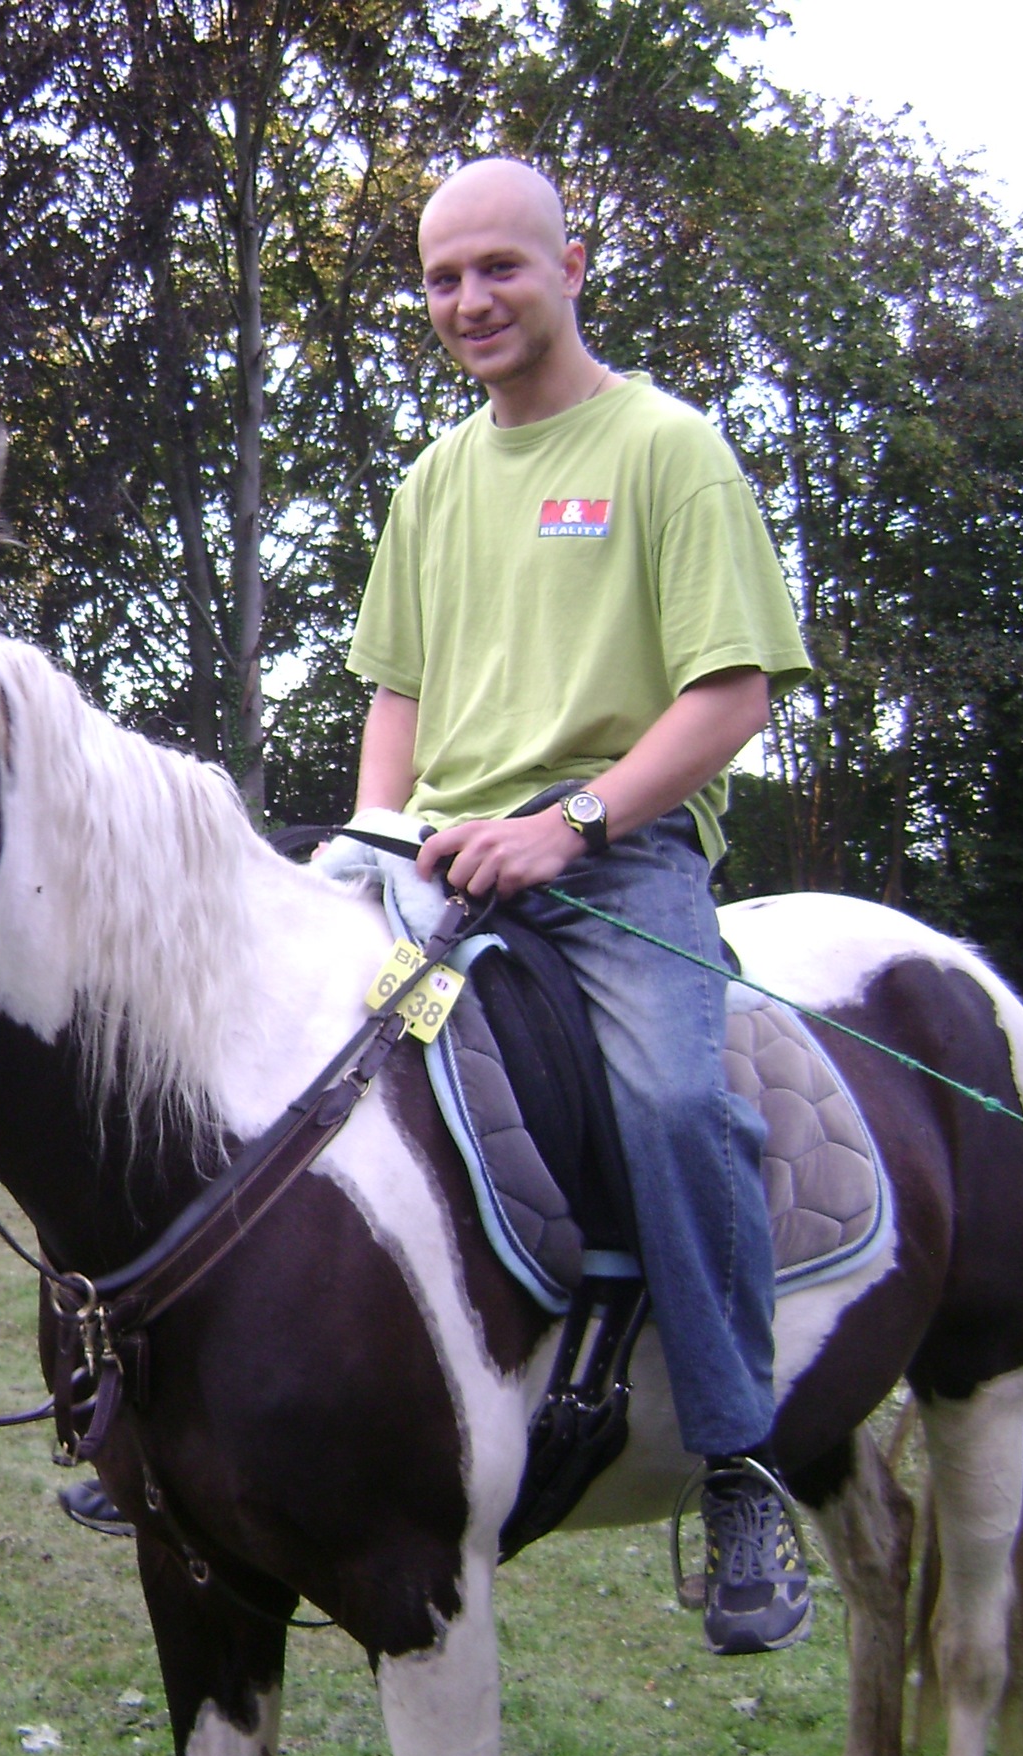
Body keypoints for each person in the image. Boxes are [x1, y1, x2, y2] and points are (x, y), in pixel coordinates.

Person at [349, 157, 816, 1656]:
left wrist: (572, 824)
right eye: (442, 278)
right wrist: (376, 842)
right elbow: (397, 699)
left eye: (500, 266)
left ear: (572, 266)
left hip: (616, 861)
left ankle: (740, 1462)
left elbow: (731, 696)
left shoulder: (668, 449)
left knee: (678, 1105)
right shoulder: (432, 483)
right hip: (433, 857)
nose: (470, 300)